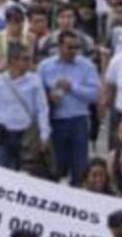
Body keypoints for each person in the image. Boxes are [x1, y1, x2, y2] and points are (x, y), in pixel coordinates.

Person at [39, 28, 102, 185]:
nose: (73, 51)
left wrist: (72, 88)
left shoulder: (87, 66)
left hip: (78, 119)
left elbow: (95, 94)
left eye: (76, 47)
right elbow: (37, 94)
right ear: (59, 47)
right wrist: (49, 96)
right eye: (69, 47)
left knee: (79, 166)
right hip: (56, 119)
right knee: (55, 166)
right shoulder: (45, 66)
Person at [0, 42, 51, 172]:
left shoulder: (35, 81)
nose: (28, 63)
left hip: (26, 136)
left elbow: (42, 109)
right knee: (2, 172)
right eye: (24, 59)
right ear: (13, 60)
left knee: (25, 173)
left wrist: (44, 134)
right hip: (3, 135)